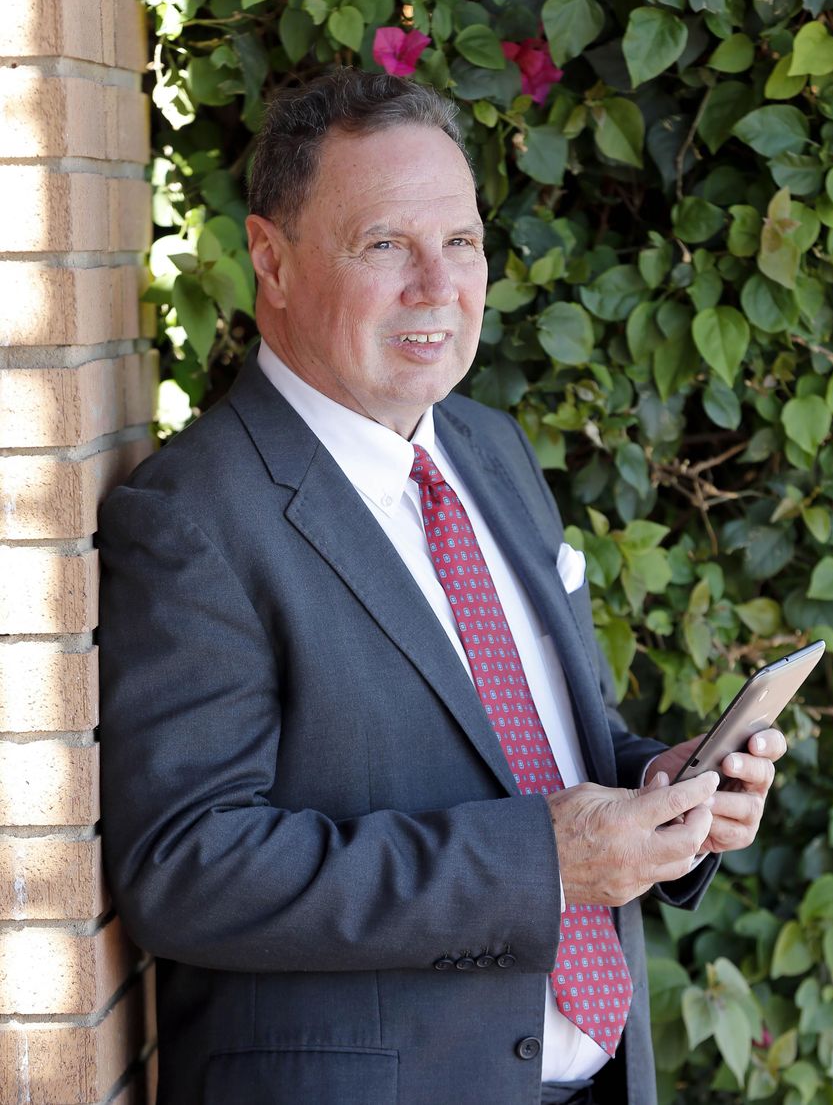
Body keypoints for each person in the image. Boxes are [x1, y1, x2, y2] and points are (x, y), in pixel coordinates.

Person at [98, 68, 785, 1105]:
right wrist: (542, 867)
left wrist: (660, 785)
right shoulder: (195, 516)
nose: (438, 285)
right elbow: (188, 868)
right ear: (269, 259)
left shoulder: (486, 448)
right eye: (384, 244)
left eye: (460, 242)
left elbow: (535, 737)